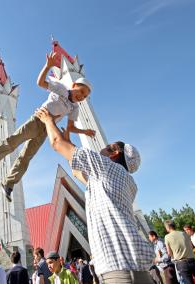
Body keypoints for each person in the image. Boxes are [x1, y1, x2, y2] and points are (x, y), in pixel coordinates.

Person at [35, 107, 155, 284]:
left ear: (115, 154)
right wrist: (67, 140)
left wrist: (47, 120)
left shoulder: (105, 167)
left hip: (121, 273)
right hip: (134, 270)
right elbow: (77, 173)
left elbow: (57, 144)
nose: (103, 149)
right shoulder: (129, 183)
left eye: (108, 148)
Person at [0, 52, 94, 202]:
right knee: (13, 142)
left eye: (85, 96)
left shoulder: (74, 108)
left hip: (47, 129)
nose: (81, 96)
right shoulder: (61, 88)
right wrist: (48, 65)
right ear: (74, 85)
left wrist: (84, 131)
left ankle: (8, 183)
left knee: (26, 156)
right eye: (81, 91)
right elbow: (41, 82)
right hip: (37, 120)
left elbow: (70, 127)